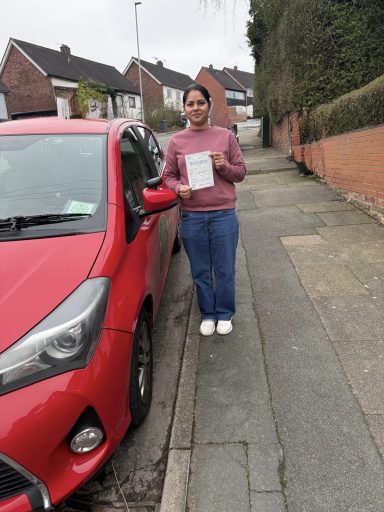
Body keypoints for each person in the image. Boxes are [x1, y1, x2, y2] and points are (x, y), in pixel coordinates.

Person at [165, 83, 246, 336]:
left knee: (224, 268)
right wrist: (179, 189)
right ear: (184, 109)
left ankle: (224, 312)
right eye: (190, 104)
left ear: (209, 105)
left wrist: (224, 167)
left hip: (223, 214)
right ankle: (207, 313)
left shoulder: (225, 136)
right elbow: (168, 176)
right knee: (200, 269)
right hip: (192, 217)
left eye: (200, 102)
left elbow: (240, 173)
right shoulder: (176, 141)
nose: (196, 108)